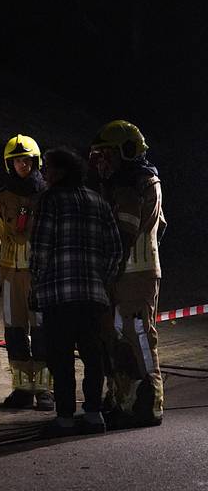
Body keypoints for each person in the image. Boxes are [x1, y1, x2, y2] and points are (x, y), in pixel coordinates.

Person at [29, 146, 121, 436]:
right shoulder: (98, 201)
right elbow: (116, 250)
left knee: (62, 357)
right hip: (93, 297)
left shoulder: (50, 200)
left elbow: (41, 249)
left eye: (47, 168)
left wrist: (36, 282)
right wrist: (100, 280)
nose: (43, 173)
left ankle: (65, 417)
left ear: (61, 171)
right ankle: (93, 414)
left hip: (58, 296)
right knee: (93, 355)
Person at [91, 120, 167, 428]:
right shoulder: (144, 180)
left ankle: (148, 404)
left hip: (131, 274)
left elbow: (123, 233)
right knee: (122, 335)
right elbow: (160, 226)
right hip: (136, 271)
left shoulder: (131, 184)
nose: (102, 162)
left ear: (128, 151)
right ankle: (125, 402)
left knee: (137, 335)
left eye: (108, 154)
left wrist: (108, 264)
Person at [0, 135, 53, 410]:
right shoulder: (1, 197)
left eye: (27, 160)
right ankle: (21, 388)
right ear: (10, 164)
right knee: (14, 331)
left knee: (41, 330)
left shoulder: (47, 194)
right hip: (9, 274)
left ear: (36, 162)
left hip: (38, 273)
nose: (23, 165)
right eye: (18, 160)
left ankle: (43, 390)